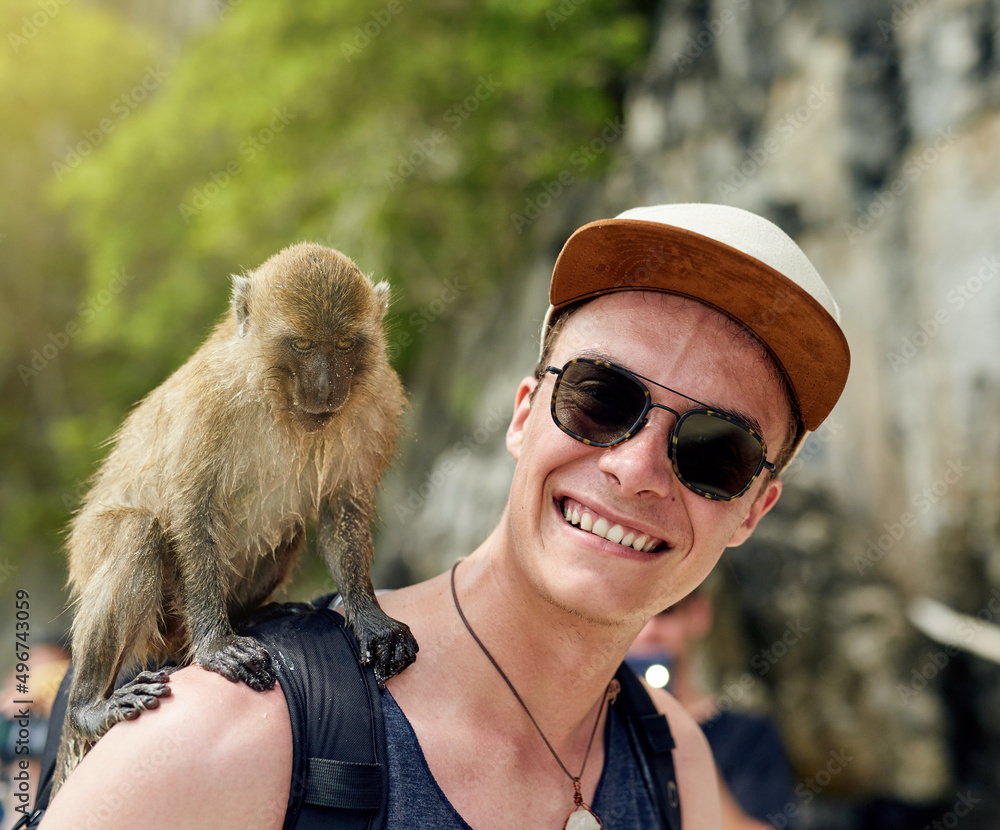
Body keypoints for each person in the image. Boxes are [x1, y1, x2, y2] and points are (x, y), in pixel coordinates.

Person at [38, 203, 849, 829]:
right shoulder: (229, 739)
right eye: (601, 399)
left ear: (754, 508)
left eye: (716, 451)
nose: (636, 468)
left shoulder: (674, 766)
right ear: (524, 414)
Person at [628, 590, 796, 829]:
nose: (649, 631)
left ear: (698, 613)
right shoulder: (596, 729)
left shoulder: (747, 734)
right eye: (635, 617)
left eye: (666, 612)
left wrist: (676, 736)